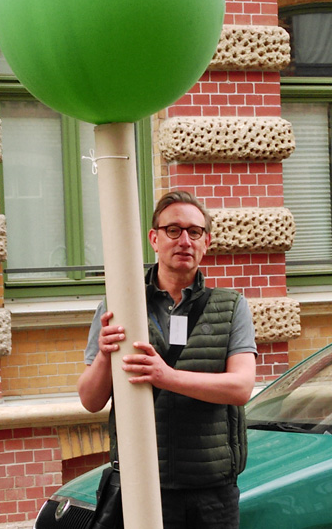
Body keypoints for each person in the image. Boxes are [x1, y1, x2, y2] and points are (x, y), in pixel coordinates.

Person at [78, 190, 257, 529]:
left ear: (207, 242)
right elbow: (90, 399)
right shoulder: (118, 305)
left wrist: (165, 376)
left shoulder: (232, 307)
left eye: (194, 231)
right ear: (154, 239)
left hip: (210, 492)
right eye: (173, 230)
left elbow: (240, 387)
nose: (184, 240)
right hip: (142, 486)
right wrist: (104, 354)